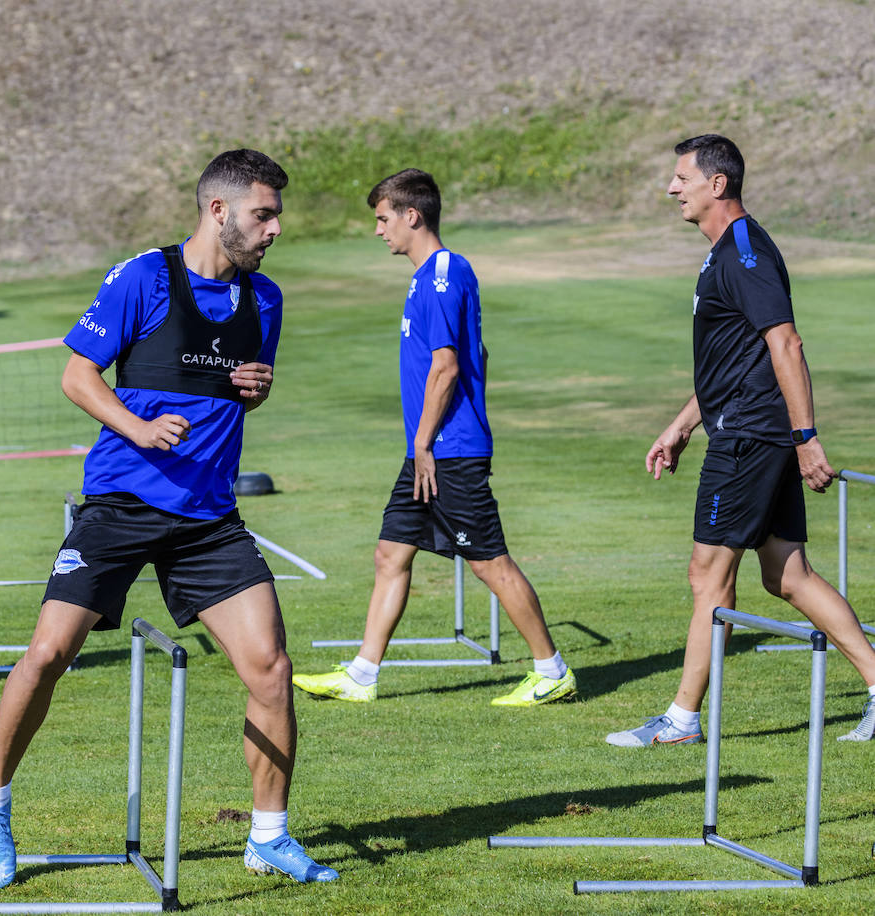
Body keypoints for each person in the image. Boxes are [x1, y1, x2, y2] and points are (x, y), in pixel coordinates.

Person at [0, 149, 337, 890]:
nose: (275, 229)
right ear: (218, 211)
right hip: (120, 504)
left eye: (276, 215)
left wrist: (256, 389)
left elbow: (240, 393)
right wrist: (137, 430)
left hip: (208, 516)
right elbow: (78, 375)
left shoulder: (263, 300)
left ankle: (268, 836)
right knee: (48, 655)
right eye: (263, 214)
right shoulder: (143, 276)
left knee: (272, 668)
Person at [606, 134, 875, 747]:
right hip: (747, 428)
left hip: (751, 437)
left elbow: (786, 344)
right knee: (786, 575)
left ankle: (681, 720)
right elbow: (735, 360)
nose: (672, 188)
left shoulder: (745, 252)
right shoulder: (723, 252)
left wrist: (806, 438)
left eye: (682, 178)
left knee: (709, 573)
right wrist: (681, 424)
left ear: (717, 184)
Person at [291, 168, 576, 707]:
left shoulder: (444, 271)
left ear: (411, 215)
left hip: (446, 452)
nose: (379, 231)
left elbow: (446, 367)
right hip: (427, 450)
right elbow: (478, 355)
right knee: (389, 555)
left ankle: (551, 669)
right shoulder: (426, 277)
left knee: (489, 560)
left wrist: (426, 442)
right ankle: (363, 674)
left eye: (383, 218)